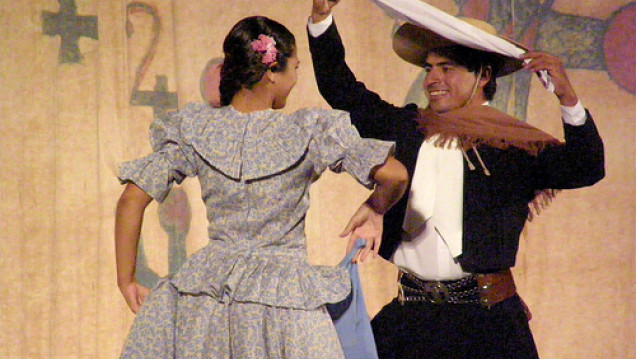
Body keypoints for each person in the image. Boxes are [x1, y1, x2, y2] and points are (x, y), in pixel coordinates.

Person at [307, 1, 605, 358]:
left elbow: (586, 166)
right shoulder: (407, 127)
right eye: (430, 68)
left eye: (446, 68)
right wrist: (321, 19)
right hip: (411, 320)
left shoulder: (514, 144)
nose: (432, 79)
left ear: (483, 75)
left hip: (488, 323)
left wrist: (568, 99)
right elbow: (341, 90)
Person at [115, 15, 408, 359]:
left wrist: (127, 279)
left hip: (211, 295)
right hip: (285, 297)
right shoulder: (307, 130)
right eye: (295, 68)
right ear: (272, 72)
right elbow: (396, 175)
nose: (296, 78)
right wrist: (375, 208)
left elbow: (130, 199)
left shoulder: (198, 129)